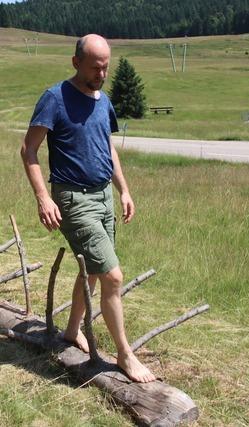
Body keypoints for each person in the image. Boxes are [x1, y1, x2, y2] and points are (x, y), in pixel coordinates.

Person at [20, 34, 156, 383]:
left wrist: (123, 190)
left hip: (102, 196)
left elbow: (107, 148)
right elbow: (29, 150)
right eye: (95, 67)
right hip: (72, 197)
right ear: (76, 62)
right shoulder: (54, 98)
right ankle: (125, 355)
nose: (102, 73)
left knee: (94, 272)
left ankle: (70, 331)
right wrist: (43, 197)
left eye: (106, 66)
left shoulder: (103, 100)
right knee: (113, 276)